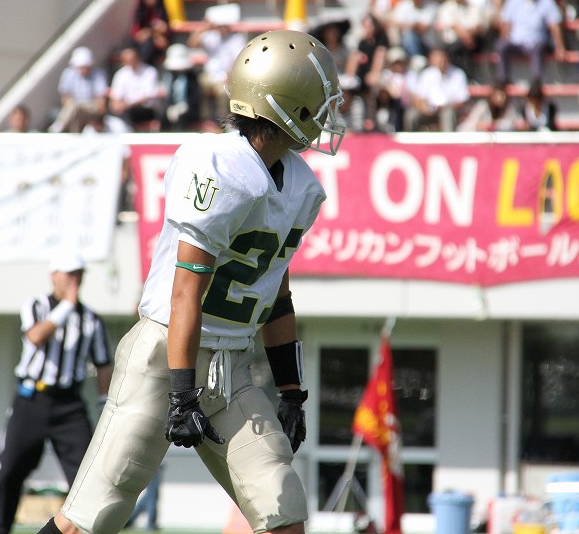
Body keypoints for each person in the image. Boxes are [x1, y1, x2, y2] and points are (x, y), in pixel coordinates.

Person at [35, 29, 346, 534]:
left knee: (283, 510)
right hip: (165, 356)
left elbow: (276, 293)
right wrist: (182, 394)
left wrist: (292, 391)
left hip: (231, 367)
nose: (328, 114)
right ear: (287, 103)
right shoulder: (220, 166)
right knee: (92, 517)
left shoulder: (299, 185)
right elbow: (186, 291)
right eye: (321, 100)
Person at [0, 253, 113, 534]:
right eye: (69, 274)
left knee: (86, 478)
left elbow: (103, 363)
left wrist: (105, 402)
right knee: (9, 470)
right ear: (53, 276)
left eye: (79, 274)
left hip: (69, 406)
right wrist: (67, 305)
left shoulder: (91, 319)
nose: (75, 280)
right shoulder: (37, 306)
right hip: (32, 400)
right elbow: (35, 336)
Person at [493, 0, 566, 84]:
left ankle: (537, 80)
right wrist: (504, 39)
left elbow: (554, 26)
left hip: (538, 41)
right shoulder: (512, 1)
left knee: (538, 47)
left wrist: (560, 47)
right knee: (500, 45)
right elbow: (506, 25)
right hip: (516, 42)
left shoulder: (546, 1)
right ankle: (502, 79)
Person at [187, 2, 247, 124]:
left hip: (226, 77)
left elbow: (236, 61)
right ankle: (205, 120)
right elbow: (192, 43)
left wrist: (228, 78)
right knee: (197, 86)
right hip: (209, 76)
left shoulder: (236, 39)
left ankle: (221, 122)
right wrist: (204, 27)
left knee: (223, 92)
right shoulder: (211, 36)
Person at [404, 46, 470, 131]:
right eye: (438, 59)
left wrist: (444, 107)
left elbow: (462, 100)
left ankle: (448, 139)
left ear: (448, 58)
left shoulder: (458, 74)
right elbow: (419, 97)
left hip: (449, 109)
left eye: (442, 58)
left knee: (448, 114)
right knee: (411, 115)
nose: (441, 61)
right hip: (429, 111)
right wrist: (424, 108)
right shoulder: (427, 74)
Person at [48, 46, 109, 134]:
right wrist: (72, 108)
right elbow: (65, 98)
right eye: (81, 67)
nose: (84, 70)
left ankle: (60, 124)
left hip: (91, 107)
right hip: (73, 108)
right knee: (72, 108)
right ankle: (63, 125)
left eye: (86, 67)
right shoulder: (69, 74)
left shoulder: (98, 74)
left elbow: (100, 103)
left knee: (76, 107)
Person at [108, 44, 164, 132]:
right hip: (127, 111)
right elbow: (115, 98)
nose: (130, 62)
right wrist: (119, 105)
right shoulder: (120, 75)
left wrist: (127, 105)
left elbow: (147, 97)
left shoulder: (150, 71)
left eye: (132, 59)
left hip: (146, 110)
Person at [160, 43, 202, 131]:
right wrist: (170, 107)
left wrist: (184, 107)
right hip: (172, 109)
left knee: (182, 118)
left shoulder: (191, 78)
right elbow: (166, 95)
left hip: (188, 111)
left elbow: (195, 97)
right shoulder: (168, 77)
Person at [129, 0, 170, 67]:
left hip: (158, 46)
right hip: (144, 46)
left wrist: (151, 33)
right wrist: (152, 32)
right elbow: (137, 35)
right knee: (147, 44)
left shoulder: (161, 12)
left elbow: (163, 36)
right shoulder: (140, 13)